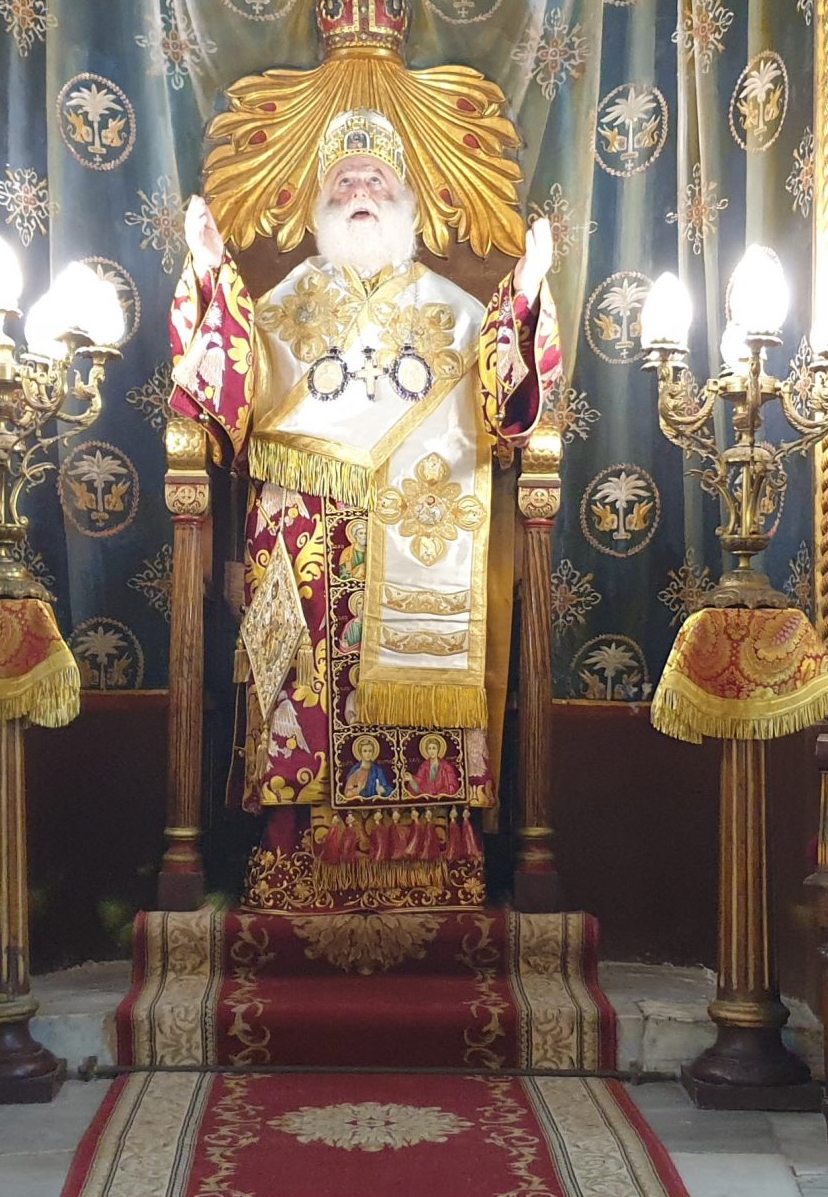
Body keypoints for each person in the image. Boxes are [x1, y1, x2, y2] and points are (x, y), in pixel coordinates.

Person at [170, 108, 559, 912]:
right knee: (301, 689)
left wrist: (522, 295)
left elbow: (507, 411)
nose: (360, 190)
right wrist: (212, 274)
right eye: (344, 180)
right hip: (306, 535)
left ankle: (430, 862)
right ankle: (296, 859)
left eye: (375, 179)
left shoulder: (456, 310)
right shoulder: (285, 303)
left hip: (416, 535)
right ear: (322, 204)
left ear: (404, 202)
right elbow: (229, 403)